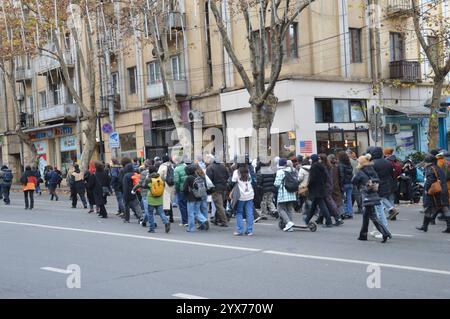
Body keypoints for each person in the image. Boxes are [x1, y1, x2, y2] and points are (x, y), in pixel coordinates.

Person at [352, 156, 392, 243]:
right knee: (366, 216)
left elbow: (354, 181)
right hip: (374, 194)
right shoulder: (372, 170)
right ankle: (363, 235)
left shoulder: (360, 172)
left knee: (373, 216)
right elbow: (377, 180)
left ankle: (385, 233)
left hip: (366, 196)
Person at [416, 155, 450, 233]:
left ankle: (425, 226)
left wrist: (426, 189)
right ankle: (448, 226)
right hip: (442, 190)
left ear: (428, 162)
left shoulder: (430, 168)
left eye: (425, 162)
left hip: (434, 192)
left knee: (429, 207)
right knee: (445, 207)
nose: (424, 164)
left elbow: (430, 180)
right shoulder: (438, 168)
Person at [133, 165, 170, 233]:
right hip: (159, 198)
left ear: (149, 171)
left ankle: (152, 228)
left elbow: (144, 186)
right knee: (161, 213)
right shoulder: (161, 177)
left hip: (151, 199)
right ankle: (166, 222)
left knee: (150, 214)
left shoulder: (149, 179)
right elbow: (163, 185)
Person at [367, 147, 397, 222]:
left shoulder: (372, 163)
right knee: (383, 198)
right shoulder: (387, 162)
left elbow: (371, 175)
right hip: (387, 183)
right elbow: (391, 173)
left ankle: (389, 211)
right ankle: (390, 209)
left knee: (379, 199)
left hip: (377, 184)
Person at [305, 154, 333, 227]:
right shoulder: (322, 166)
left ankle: (329, 221)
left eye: (311, 159)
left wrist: (308, 186)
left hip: (315, 189)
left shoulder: (313, 167)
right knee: (314, 206)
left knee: (322, 206)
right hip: (321, 188)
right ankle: (307, 220)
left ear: (313, 159)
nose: (310, 160)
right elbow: (325, 177)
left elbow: (312, 178)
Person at [274, 158, 299, 231]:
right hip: (292, 192)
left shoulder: (280, 172)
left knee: (280, 208)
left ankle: (288, 223)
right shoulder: (292, 170)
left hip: (283, 193)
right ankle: (290, 226)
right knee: (289, 209)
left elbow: (277, 183)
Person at [183, 164, 209, 233]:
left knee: (190, 213)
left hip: (191, 197)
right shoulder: (198, 176)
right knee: (197, 212)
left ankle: (191, 228)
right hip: (198, 197)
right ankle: (204, 220)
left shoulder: (188, 178)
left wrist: (185, 195)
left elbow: (185, 188)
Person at [206, 155, 230, 227]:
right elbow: (227, 176)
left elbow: (208, 179)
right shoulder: (223, 166)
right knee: (220, 204)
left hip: (215, 188)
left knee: (219, 205)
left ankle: (224, 221)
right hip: (223, 187)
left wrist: (208, 189)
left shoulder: (210, 167)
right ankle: (216, 219)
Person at [231, 164, 255, 236]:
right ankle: (249, 230)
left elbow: (233, 181)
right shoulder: (248, 171)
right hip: (250, 194)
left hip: (241, 195)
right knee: (249, 212)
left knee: (239, 212)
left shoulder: (236, 172)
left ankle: (239, 230)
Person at [158, 155, 175, 223]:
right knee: (169, 201)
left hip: (165, 185)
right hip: (172, 185)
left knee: (166, 202)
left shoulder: (162, 166)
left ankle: (168, 217)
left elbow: (159, 176)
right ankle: (171, 217)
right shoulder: (172, 166)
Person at [174, 155, 190, 227]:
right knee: (188, 205)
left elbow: (176, 181)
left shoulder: (177, 169)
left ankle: (185, 221)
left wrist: (176, 189)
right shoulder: (186, 166)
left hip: (181, 189)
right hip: (188, 188)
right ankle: (190, 220)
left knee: (182, 205)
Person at [338, 151, 354, 219]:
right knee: (349, 198)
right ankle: (350, 212)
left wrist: (340, 184)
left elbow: (341, 175)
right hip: (350, 183)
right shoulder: (349, 164)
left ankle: (344, 212)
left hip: (344, 184)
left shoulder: (341, 165)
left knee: (342, 199)